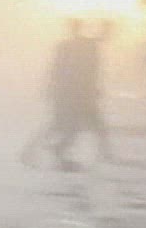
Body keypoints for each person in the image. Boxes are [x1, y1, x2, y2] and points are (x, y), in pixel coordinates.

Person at [22, 18, 112, 170]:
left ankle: (37, 151)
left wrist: (50, 89)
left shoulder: (66, 46)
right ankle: (104, 155)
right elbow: (90, 69)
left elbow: (55, 70)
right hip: (79, 95)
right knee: (80, 125)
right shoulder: (87, 45)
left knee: (63, 125)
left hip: (69, 94)